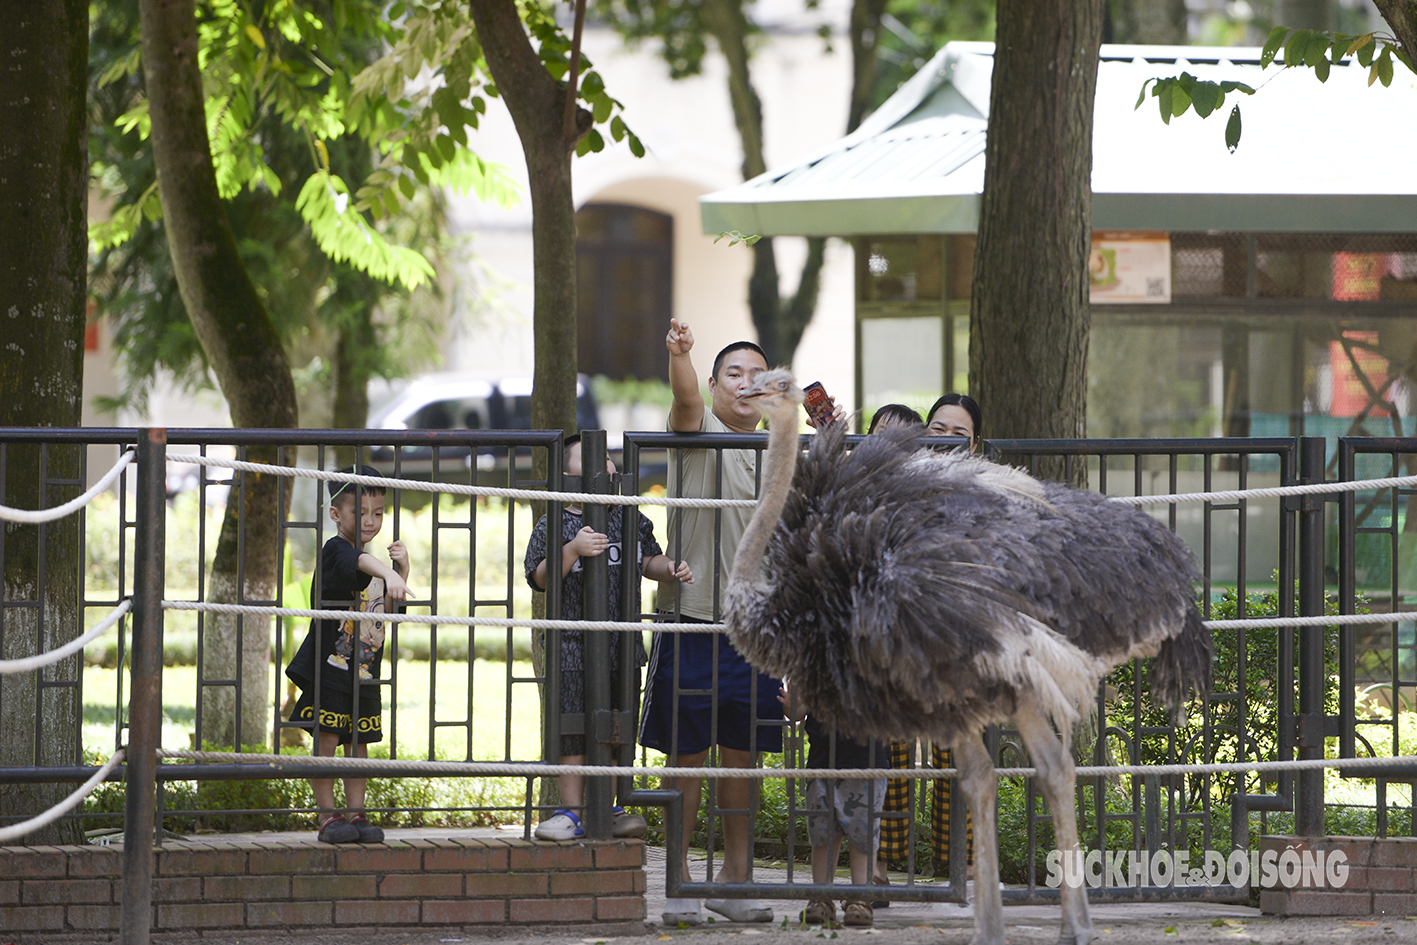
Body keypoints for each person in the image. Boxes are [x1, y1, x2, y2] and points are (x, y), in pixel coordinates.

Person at [640, 318, 784, 926]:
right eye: (734, 373)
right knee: (687, 756)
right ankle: (678, 884)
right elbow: (684, 399)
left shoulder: (782, 450)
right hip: (694, 624)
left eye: (758, 375)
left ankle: (736, 880)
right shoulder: (699, 437)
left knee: (744, 756)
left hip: (755, 632)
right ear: (718, 385)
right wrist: (681, 356)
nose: (746, 383)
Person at [525, 433, 694, 841]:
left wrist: (670, 567)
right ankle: (572, 810)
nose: (606, 471)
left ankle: (614, 805)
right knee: (572, 728)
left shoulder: (629, 518)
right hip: (571, 647)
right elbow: (539, 578)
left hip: (621, 646)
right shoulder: (554, 522)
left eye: (610, 465)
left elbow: (647, 560)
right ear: (569, 476)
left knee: (618, 724)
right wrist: (572, 550)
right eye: (593, 464)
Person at [286, 466, 410, 844]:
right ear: (336, 515)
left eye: (379, 513)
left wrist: (401, 570)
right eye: (361, 512)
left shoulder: (375, 565)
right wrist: (387, 572)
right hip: (332, 668)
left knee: (359, 744)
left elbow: (390, 613)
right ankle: (327, 817)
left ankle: (356, 814)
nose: (371, 521)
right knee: (326, 741)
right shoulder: (336, 551)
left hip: (365, 670)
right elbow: (353, 561)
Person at [781, 682, 887, 929]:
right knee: (823, 835)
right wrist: (793, 707)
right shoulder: (813, 663)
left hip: (867, 763)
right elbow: (798, 712)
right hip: (823, 762)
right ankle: (821, 896)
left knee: (863, 834)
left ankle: (860, 898)